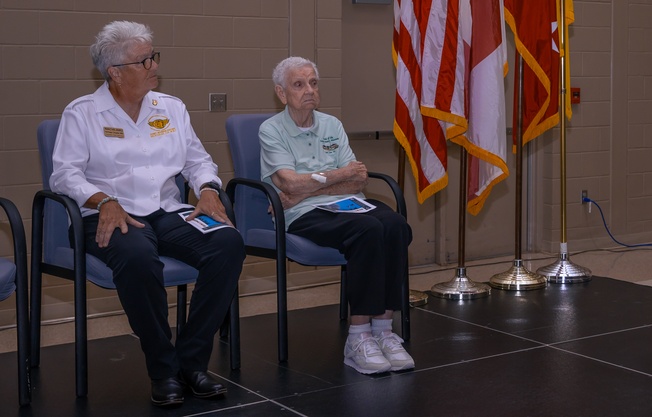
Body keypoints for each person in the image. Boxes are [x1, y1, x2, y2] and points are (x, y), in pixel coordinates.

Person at [50, 21, 246, 406]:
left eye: (153, 57)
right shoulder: (83, 113)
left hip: (167, 209)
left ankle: (191, 362)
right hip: (110, 214)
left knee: (227, 243)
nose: (155, 65)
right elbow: (64, 175)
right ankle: (163, 369)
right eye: (145, 60)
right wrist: (102, 199)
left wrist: (207, 188)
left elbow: (197, 160)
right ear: (115, 72)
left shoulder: (170, 108)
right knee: (138, 256)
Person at [259, 56, 414, 375]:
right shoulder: (271, 129)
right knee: (368, 229)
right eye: (298, 84)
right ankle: (358, 337)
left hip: (343, 203)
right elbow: (288, 183)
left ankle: (384, 331)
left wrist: (313, 185)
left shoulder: (332, 125)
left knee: (395, 224)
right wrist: (335, 176)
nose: (309, 90)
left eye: (313, 83)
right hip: (302, 214)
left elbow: (358, 179)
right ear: (281, 93)